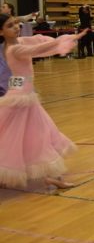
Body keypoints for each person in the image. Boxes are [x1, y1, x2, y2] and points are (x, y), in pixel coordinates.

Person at [0, 13, 87, 189]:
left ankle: (51, 176)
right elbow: (37, 50)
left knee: (32, 136)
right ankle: (52, 176)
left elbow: (37, 40)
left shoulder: (18, 42)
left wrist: (58, 40)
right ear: (1, 32)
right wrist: (63, 40)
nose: (16, 27)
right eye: (10, 25)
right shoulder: (13, 49)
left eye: (16, 23)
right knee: (36, 136)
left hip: (22, 95)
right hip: (22, 100)